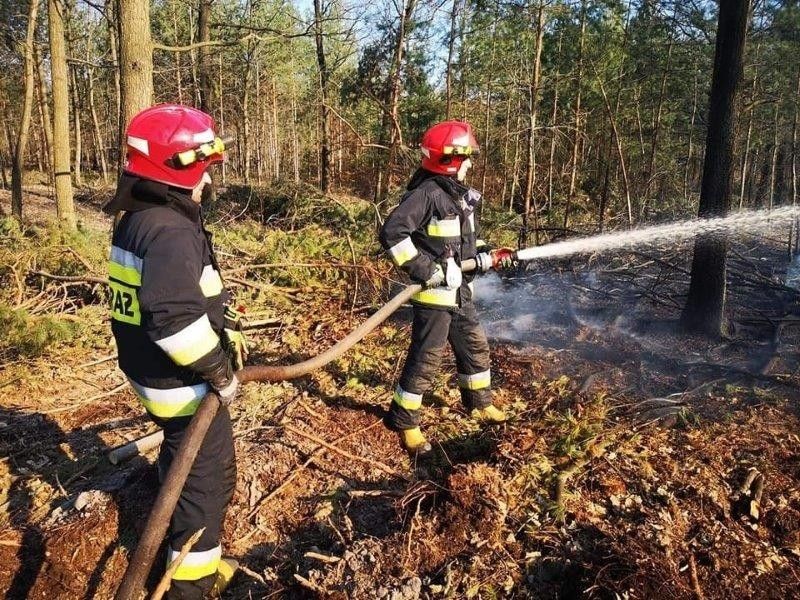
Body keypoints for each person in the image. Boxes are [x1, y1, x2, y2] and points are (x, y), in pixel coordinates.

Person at [104, 104, 248, 598]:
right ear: (180, 167)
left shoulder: (140, 216)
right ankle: (191, 582)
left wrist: (219, 314)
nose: (209, 181)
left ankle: (176, 545)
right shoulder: (170, 229)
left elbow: (170, 296)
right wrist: (220, 371)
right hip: (179, 380)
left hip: (148, 370)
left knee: (181, 457)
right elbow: (172, 320)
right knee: (207, 480)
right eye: (205, 169)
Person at [379, 120, 514, 454]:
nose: (470, 164)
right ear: (450, 160)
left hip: (460, 293)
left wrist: (485, 256)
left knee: (475, 347)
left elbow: (464, 244)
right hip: (435, 295)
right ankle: (405, 421)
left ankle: (479, 403)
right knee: (426, 359)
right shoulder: (427, 194)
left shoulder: (459, 196)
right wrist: (429, 270)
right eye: (466, 158)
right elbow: (392, 234)